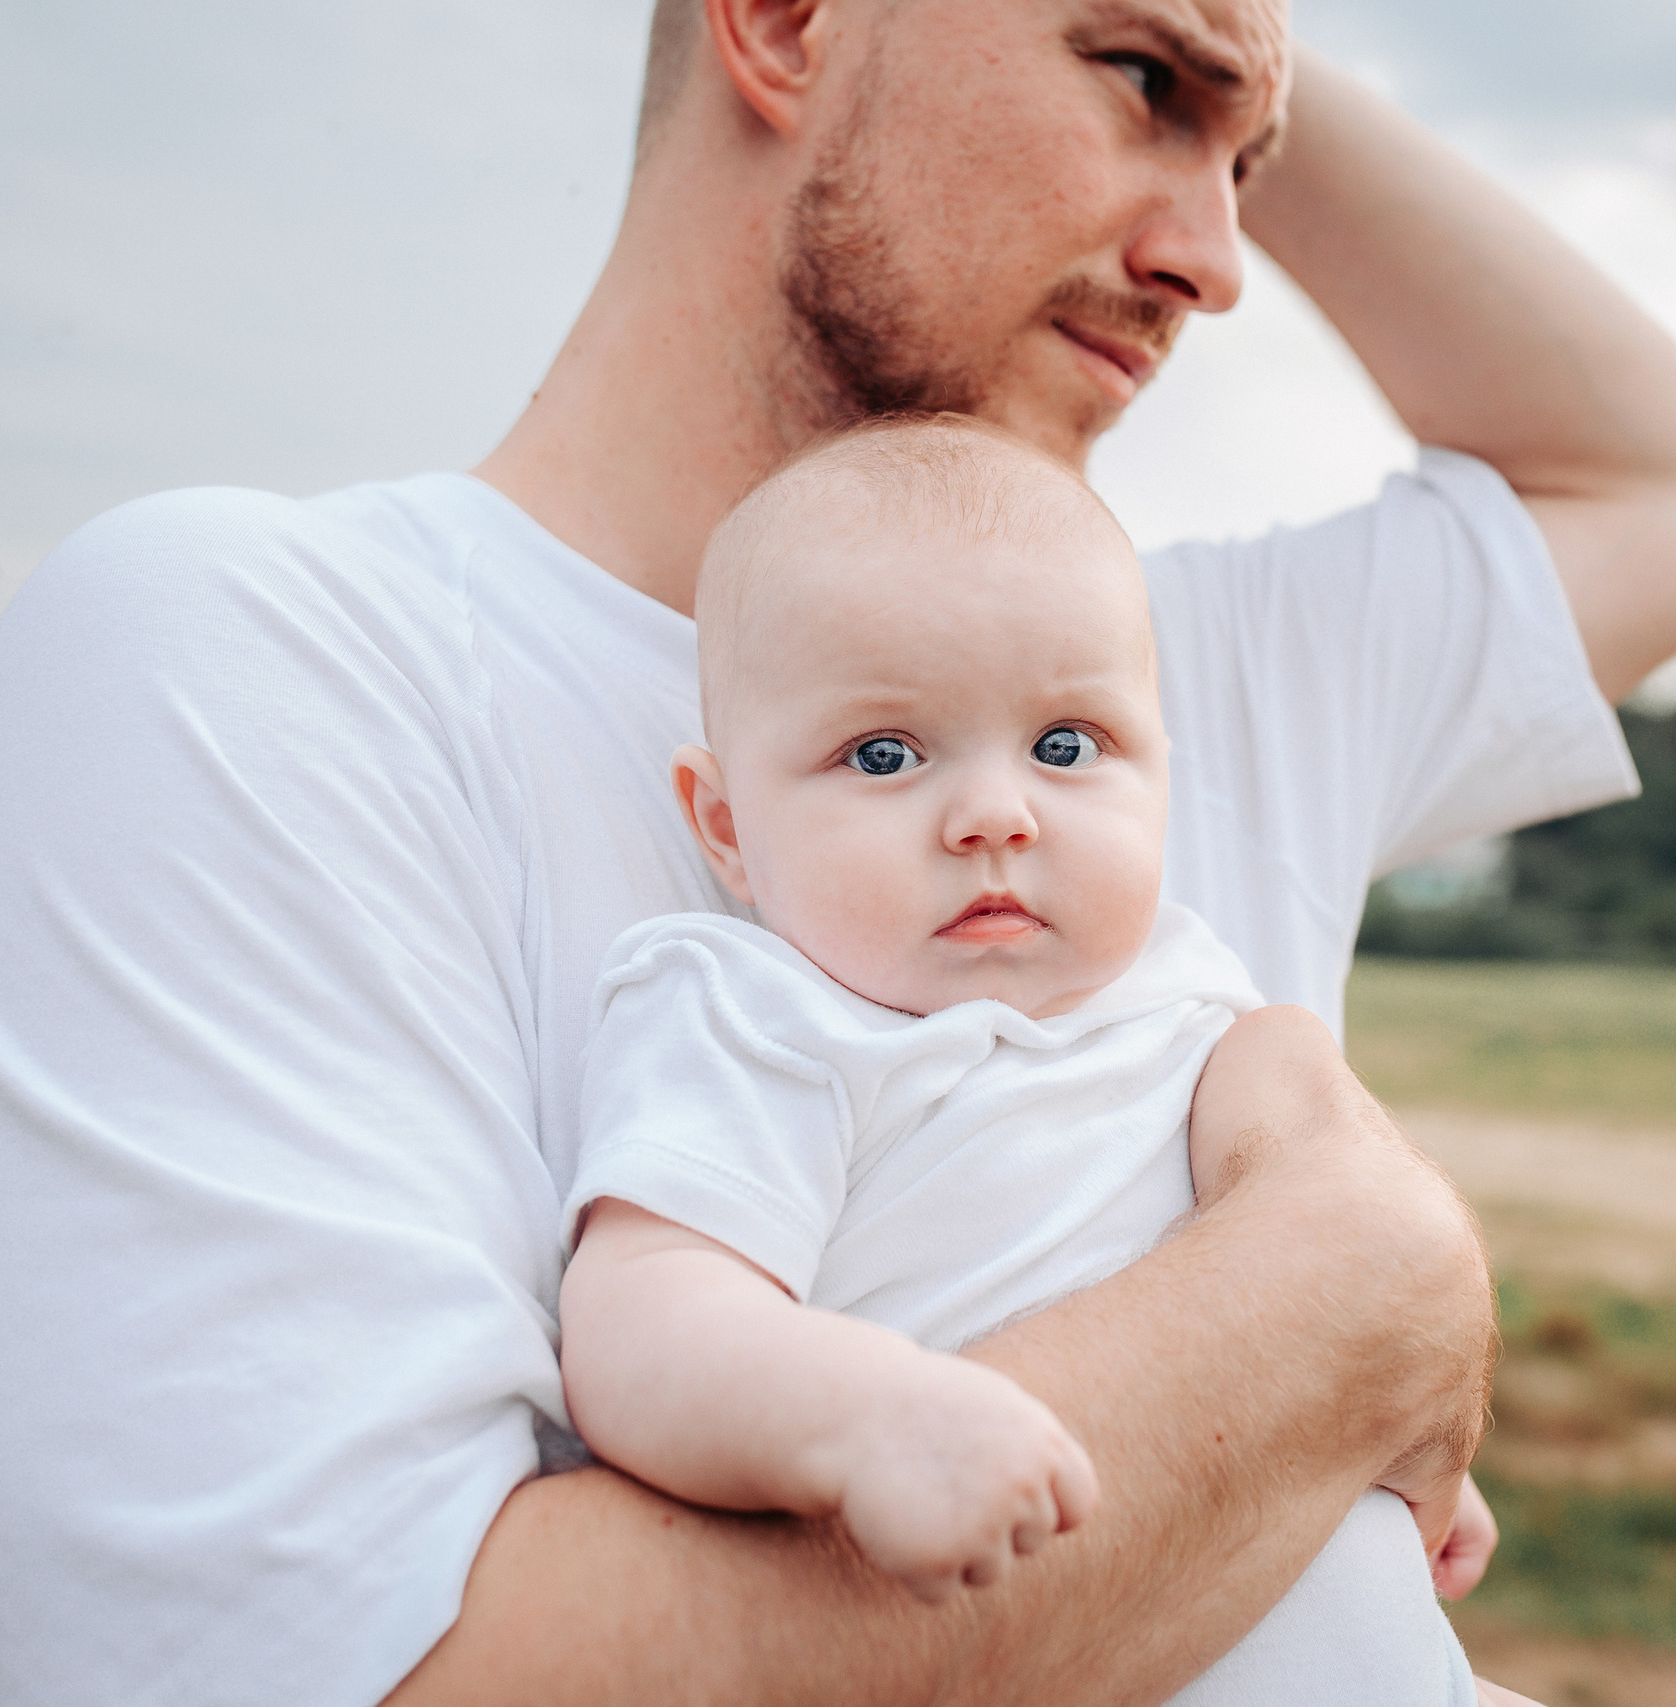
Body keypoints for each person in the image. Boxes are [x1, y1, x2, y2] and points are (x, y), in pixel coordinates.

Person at [0, 1, 1676, 1703]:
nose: (1219, 262)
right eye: (1138, 79)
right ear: (783, 22)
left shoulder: (1163, 674)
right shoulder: (251, 657)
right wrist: (1345, 1298)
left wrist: (1241, 45)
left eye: (1252, 162)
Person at [559, 411, 1482, 1704]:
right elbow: (641, 1321)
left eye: (1065, 747)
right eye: (883, 754)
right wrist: (859, 1418)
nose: (996, 814)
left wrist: (1368, 1420)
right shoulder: (759, 1015)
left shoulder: (1188, 994)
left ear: (1162, 775)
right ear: (725, 824)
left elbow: (1318, 1290)